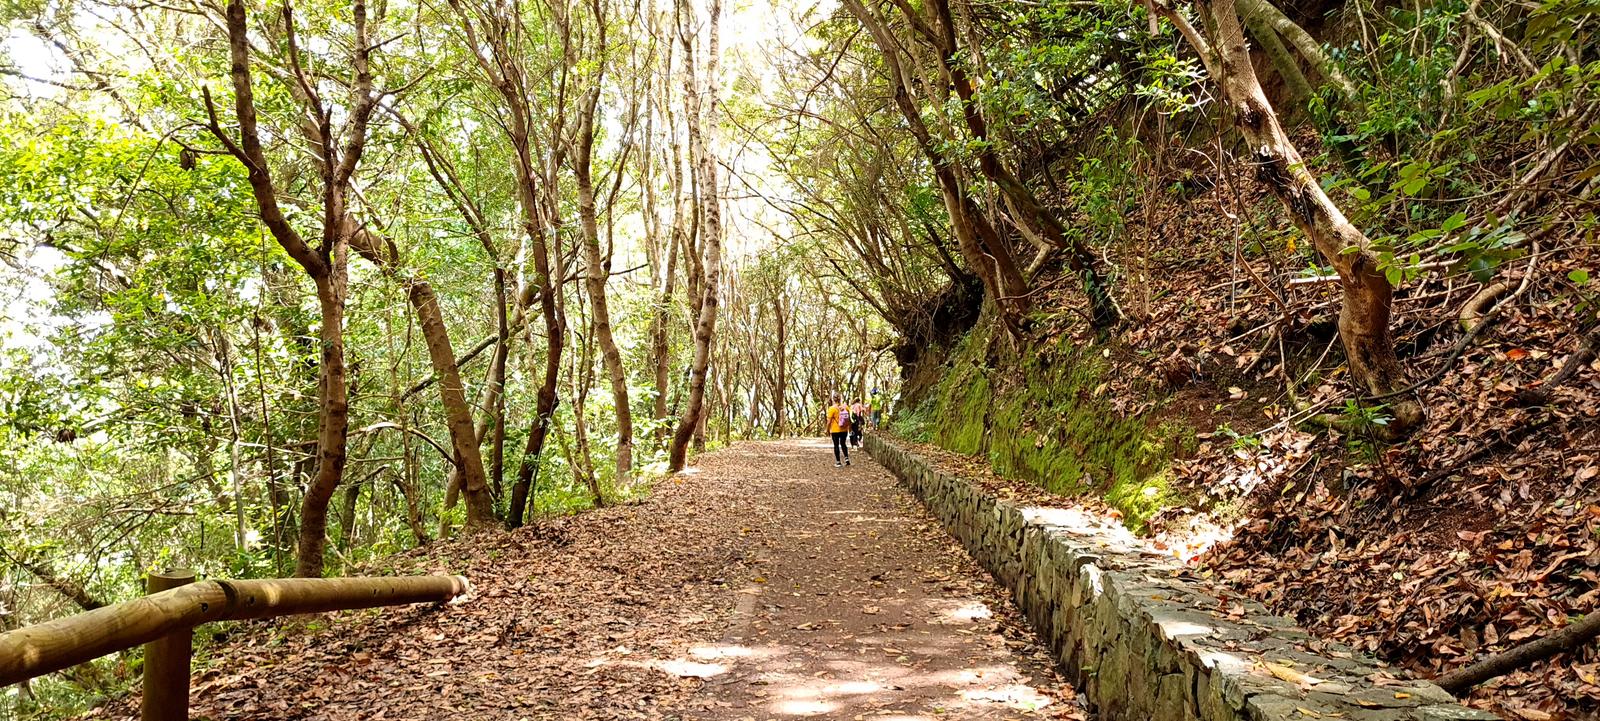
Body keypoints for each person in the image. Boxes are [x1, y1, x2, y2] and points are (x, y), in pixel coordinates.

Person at [826, 395, 852, 466]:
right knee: (843, 444)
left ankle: (838, 462)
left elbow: (829, 421)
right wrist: (850, 428)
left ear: (833, 400)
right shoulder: (845, 407)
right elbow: (849, 419)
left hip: (835, 430)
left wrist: (827, 430)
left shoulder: (832, 409)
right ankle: (847, 459)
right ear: (840, 399)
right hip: (844, 429)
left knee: (836, 445)